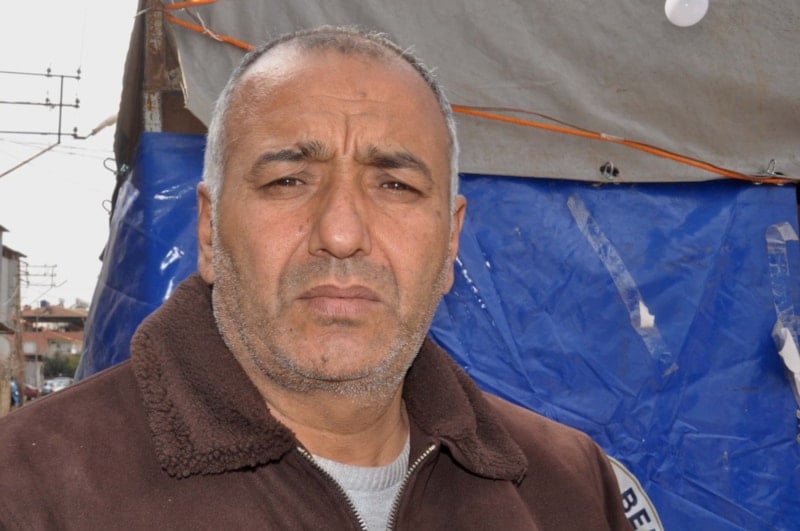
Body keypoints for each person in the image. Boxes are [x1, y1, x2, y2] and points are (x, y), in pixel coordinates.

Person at [0, 26, 630, 529]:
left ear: (450, 242)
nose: (342, 233)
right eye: (288, 181)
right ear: (210, 231)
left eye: (395, 185)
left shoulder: (569, 486)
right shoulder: (31, 489)